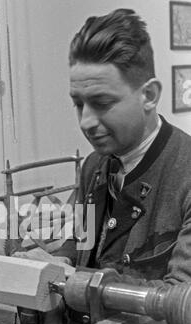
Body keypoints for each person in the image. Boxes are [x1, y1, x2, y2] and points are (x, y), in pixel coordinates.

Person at [16, 8, 191, 290]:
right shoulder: (93, 166)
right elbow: (81, 245)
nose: (85, 121)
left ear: (148, 95)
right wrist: (59, 262)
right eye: (78, 103)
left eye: (102, 102)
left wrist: (74, 280)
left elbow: (181, 299)